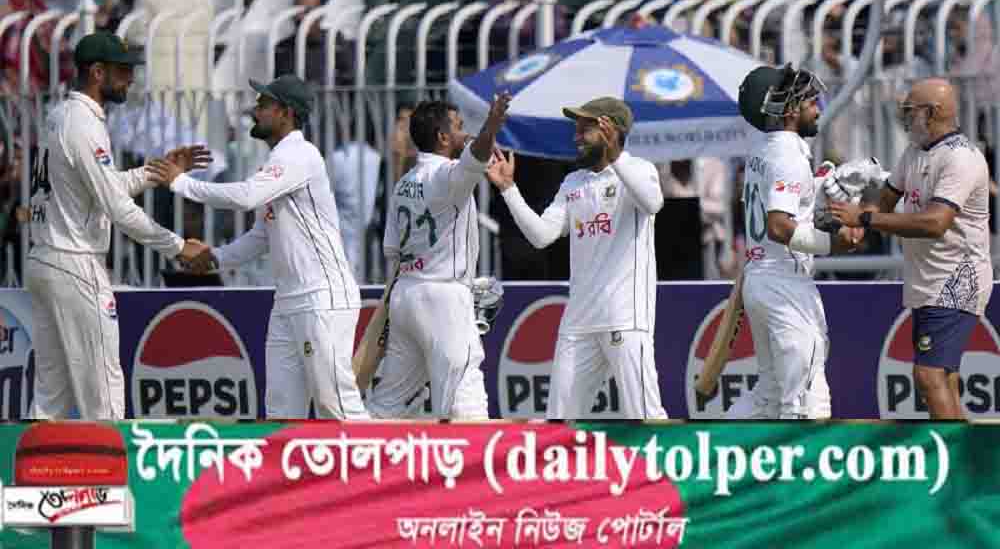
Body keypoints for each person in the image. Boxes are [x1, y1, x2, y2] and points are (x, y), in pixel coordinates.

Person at [148, 74, 369, 420]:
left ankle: (374, 458)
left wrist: (181, 184)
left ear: (286, 113)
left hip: (322, 297)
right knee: (281, 411)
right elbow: (261, 236)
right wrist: (215, 258)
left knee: (336, 406)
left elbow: (246, 196)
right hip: (288, 300)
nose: (255, 110)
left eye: (264, 104)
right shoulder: (278, 161)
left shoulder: (300, 154)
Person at [26, 31, 208, 420]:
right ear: (97, 72)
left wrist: (156, 171)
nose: (131, 79)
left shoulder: (60, 115)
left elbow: (101, 188)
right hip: (75, 262)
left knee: (51, 396)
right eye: (123, 71)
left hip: (45, 259)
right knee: (104, 392)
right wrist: (178, 247)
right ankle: (113, 462)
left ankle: (27, 461)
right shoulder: (84, 124)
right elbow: (117, 208)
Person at [487, 96, 668, 419]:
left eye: (585, 129)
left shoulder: (639, 169)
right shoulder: (573, 182)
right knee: (560, 422)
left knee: (645, 417)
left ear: (610, 130)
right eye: (577, 129)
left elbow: (652, 203)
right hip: (579, 321)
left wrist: (616, 157)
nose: (576, 137)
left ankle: (662, 458)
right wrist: (509, 190)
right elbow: (542, 236)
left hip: (625, 318)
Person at [831, 78, 992, 420]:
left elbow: (935, 223)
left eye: (909, 110)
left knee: (928, 376)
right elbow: (885, 201)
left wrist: (866, 219)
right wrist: (856, 228)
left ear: (931, 113)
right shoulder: (916, 152)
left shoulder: (961, 158)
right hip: (929, 281)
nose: (903, 117)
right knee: (944, 379)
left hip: (956, 281)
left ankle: (951, 451)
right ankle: (964, 449)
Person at [363, 94, 511, 419]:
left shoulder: (404, 183)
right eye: (458, 126)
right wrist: (492, 124)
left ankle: (361, 450)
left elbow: (392, 250)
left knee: (388, 405)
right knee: (465, 402)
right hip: (444, 297)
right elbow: (477, 155)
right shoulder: (446, 176)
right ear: (443, 137)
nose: (464, 132)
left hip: (405, 296)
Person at [729, 64, 861, 420]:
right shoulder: (788, 154)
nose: (818, 107)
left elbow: (785, 202)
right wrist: (836, 244)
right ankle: (797, 464)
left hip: (761, 278)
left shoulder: (763, 146)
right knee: (806, 401)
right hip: (784, 282)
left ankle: (713, 446)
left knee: (769, 397)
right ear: (787, 108)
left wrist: (819, 185)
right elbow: (779, 226)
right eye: (810, 101)